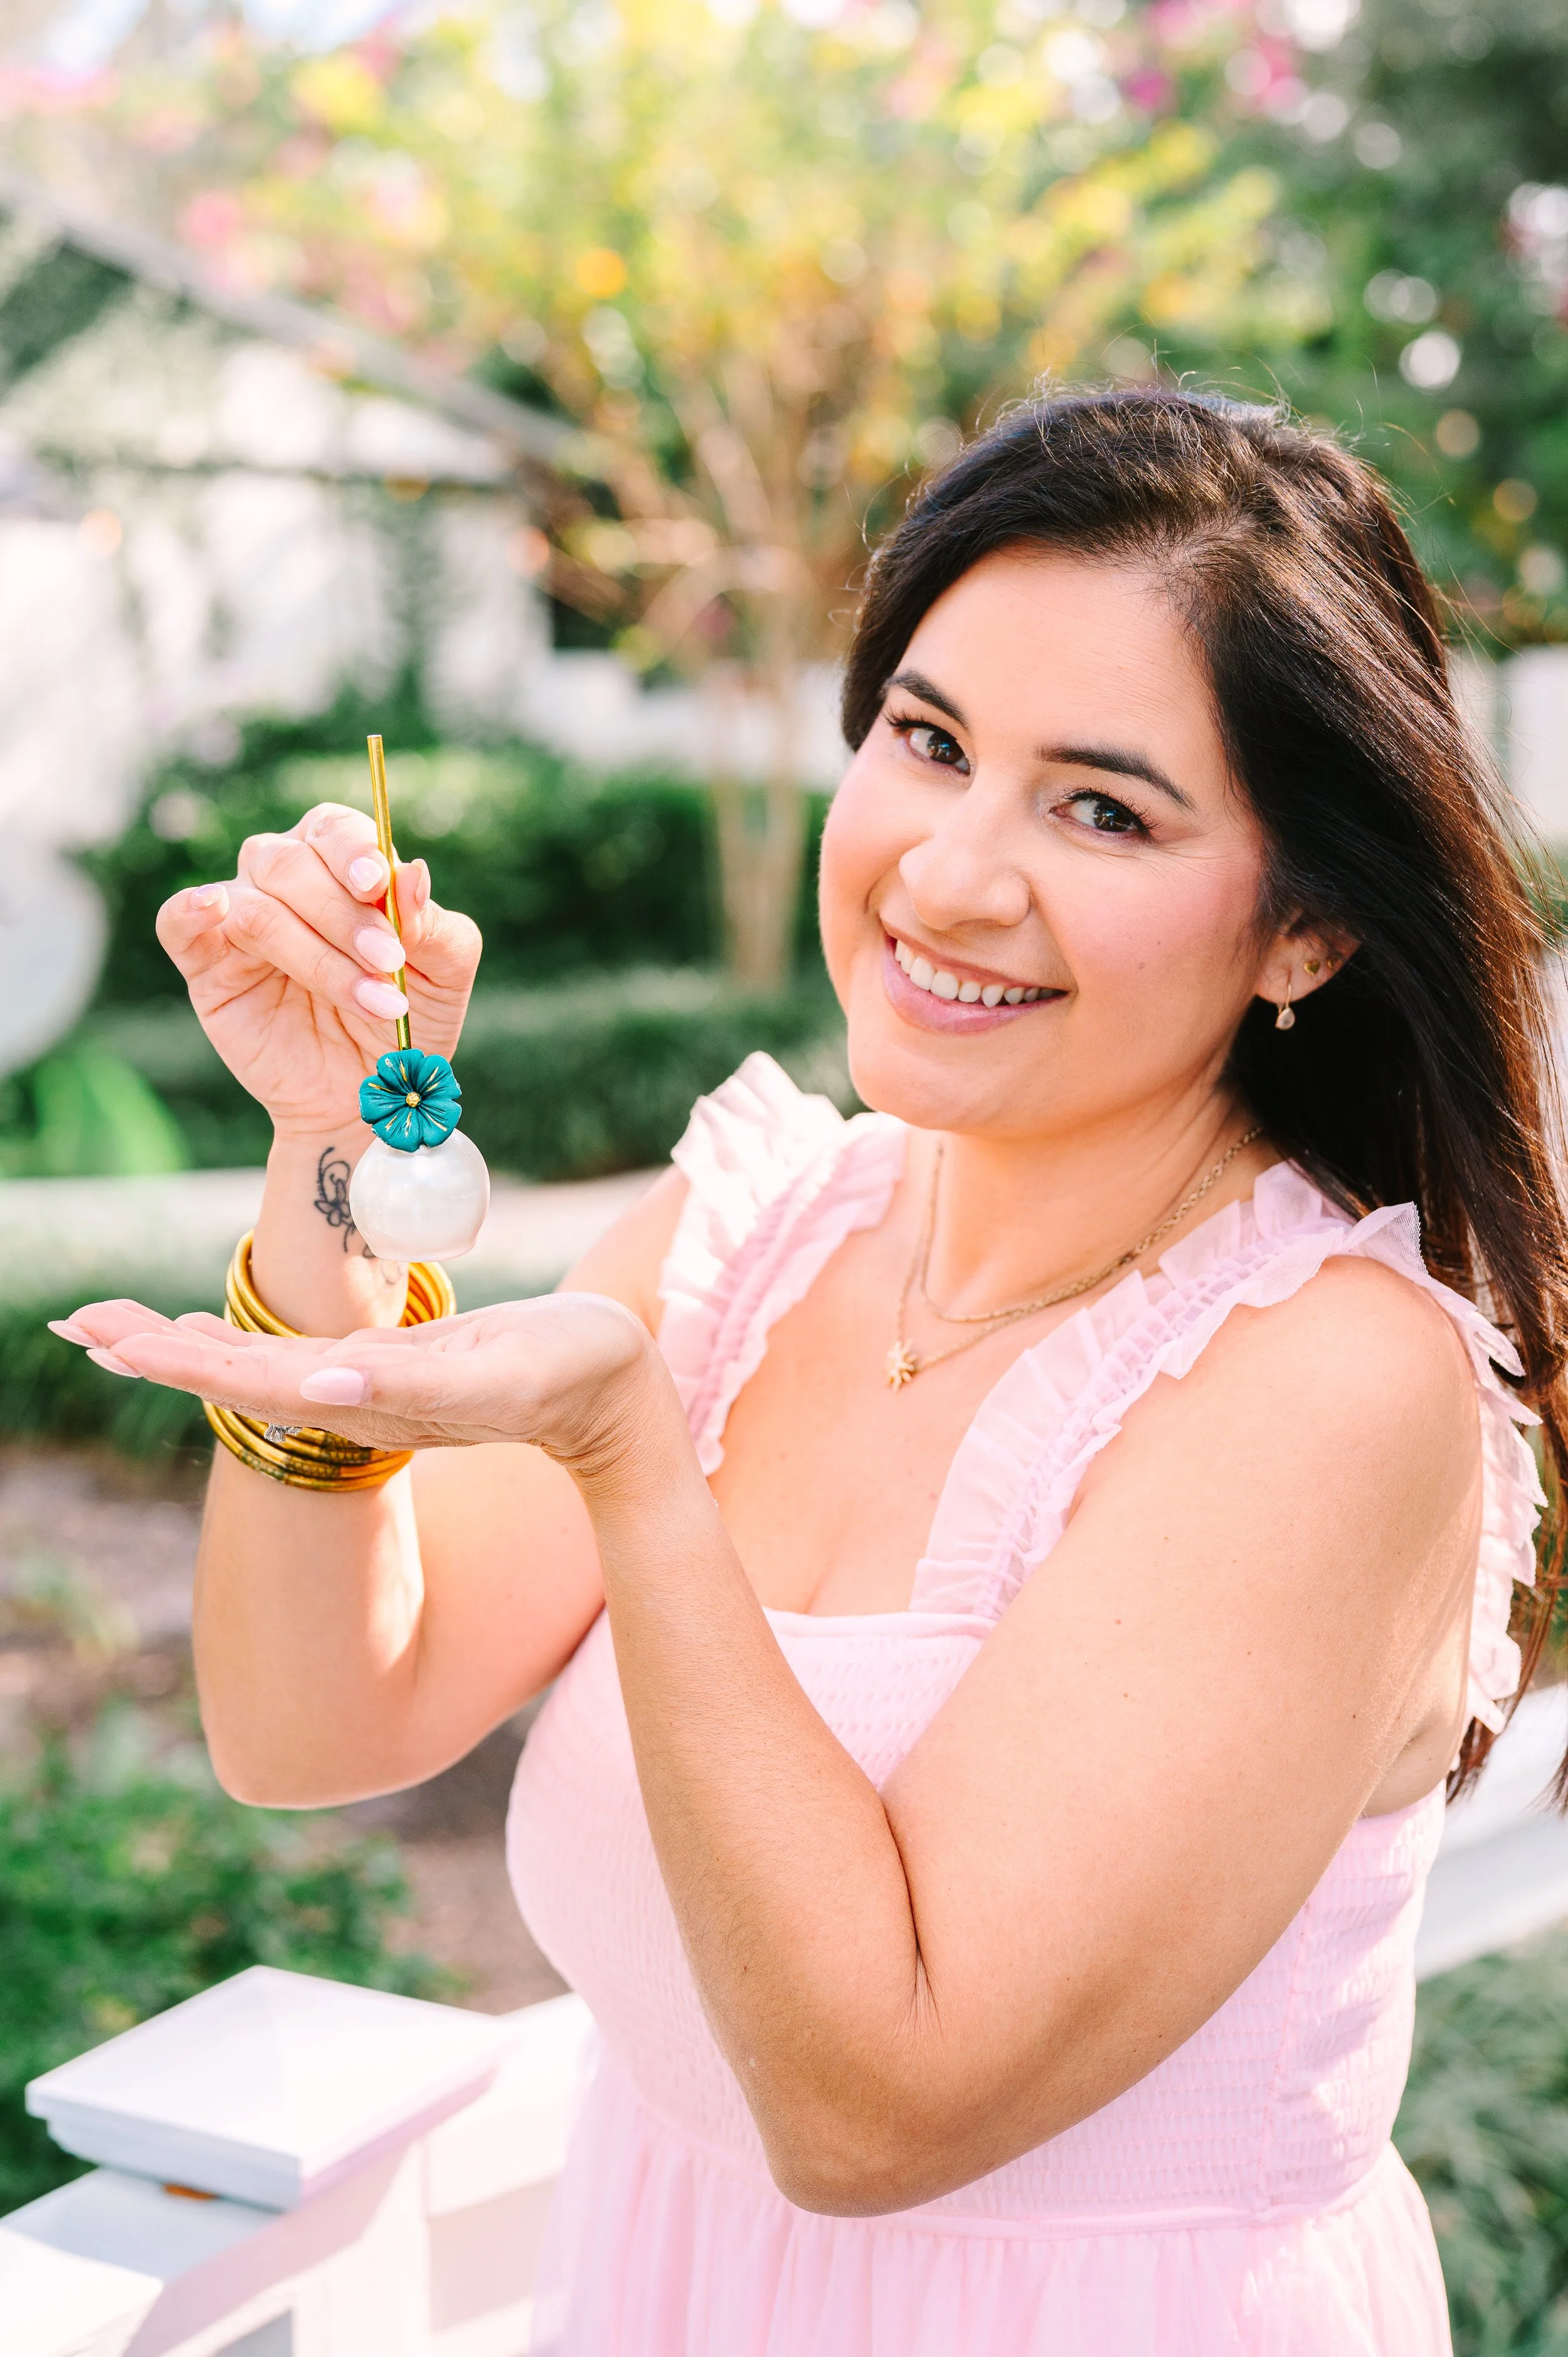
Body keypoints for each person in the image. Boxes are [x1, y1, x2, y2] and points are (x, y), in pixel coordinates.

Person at [54, 390, 1568, 2356]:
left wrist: (631, 1470)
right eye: (926, 741)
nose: (947, 873)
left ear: (1300, 926)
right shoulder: (760, 1223)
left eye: (1099, 806)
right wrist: (330, 1151)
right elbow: (310, 1718)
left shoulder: (1321, 1381)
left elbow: (873, 2103)